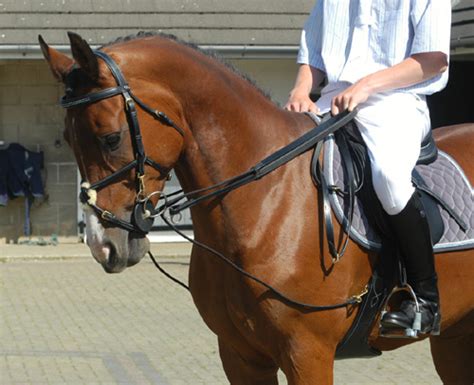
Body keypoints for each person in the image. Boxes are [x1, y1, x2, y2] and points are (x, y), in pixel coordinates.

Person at [285, 0, 451, 335]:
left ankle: (425, 299)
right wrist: (301, 90)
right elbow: (314, 55)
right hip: (331, 101)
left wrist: (366, 86)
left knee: (389, 179)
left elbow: (432, 59)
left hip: (397, 102)